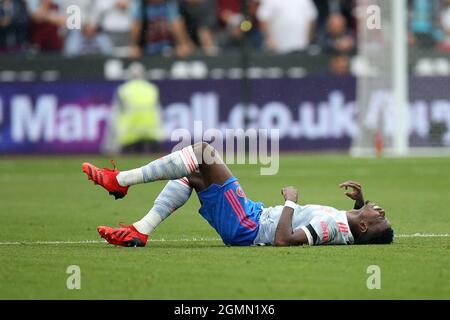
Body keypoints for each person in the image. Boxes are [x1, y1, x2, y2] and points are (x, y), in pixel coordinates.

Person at [82, 142, 394, 247]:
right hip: (248, 221)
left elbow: (284, 240)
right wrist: (358, 202)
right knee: (191, 173)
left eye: (382, 219)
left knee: (203, 153)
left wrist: (290, 200)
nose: (382, 211)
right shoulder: (346, 224)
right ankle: (141, 231)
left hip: (249, 224)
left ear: (364, 227)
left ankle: (119, 180)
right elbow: (352, 225)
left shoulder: (331, 228)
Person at [102, 62, 164, 154]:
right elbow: (159, 112)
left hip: (129, 135)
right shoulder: (152, 89)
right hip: (151, 134)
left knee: (130, 166)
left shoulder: (123, 90)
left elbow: (115, 115)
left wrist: (109, 144)